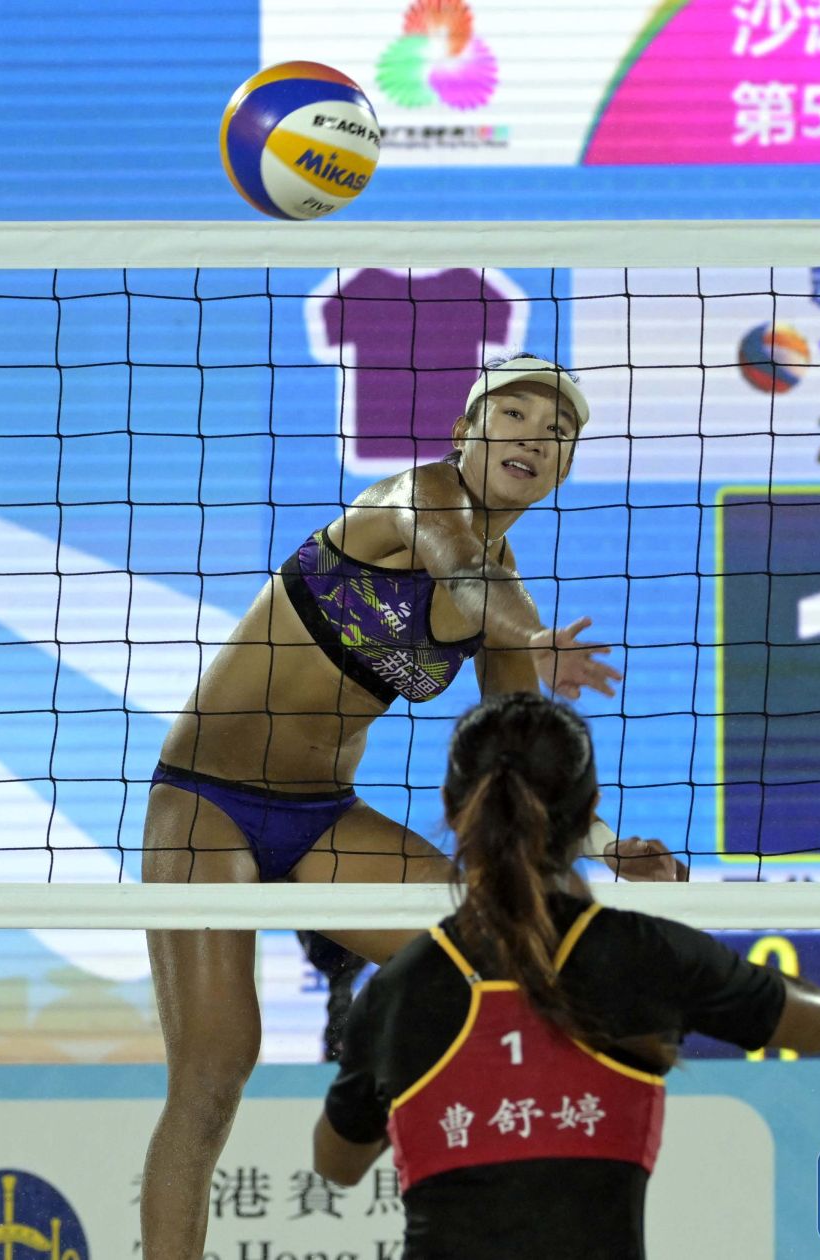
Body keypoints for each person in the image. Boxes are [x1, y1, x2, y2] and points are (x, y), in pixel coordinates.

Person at [139, 353, 685, 1258]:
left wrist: (603, 841)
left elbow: (515, 766)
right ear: (467, 431)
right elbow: (462, 574)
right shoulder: (417, 497)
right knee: (212, 1071)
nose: (534, 437)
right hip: (207, 803)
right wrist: (536, 639)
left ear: (564, 468)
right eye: (513, 414)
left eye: (557, 432)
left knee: (500, 955)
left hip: (320, 816)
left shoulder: (509, 600)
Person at [314, 693, 820, 1260]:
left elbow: (337, 1164)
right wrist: (685, 944)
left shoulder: (400, 986)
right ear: (590, 808)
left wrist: (411, 1086)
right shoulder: (644, 955)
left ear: (451, 808)